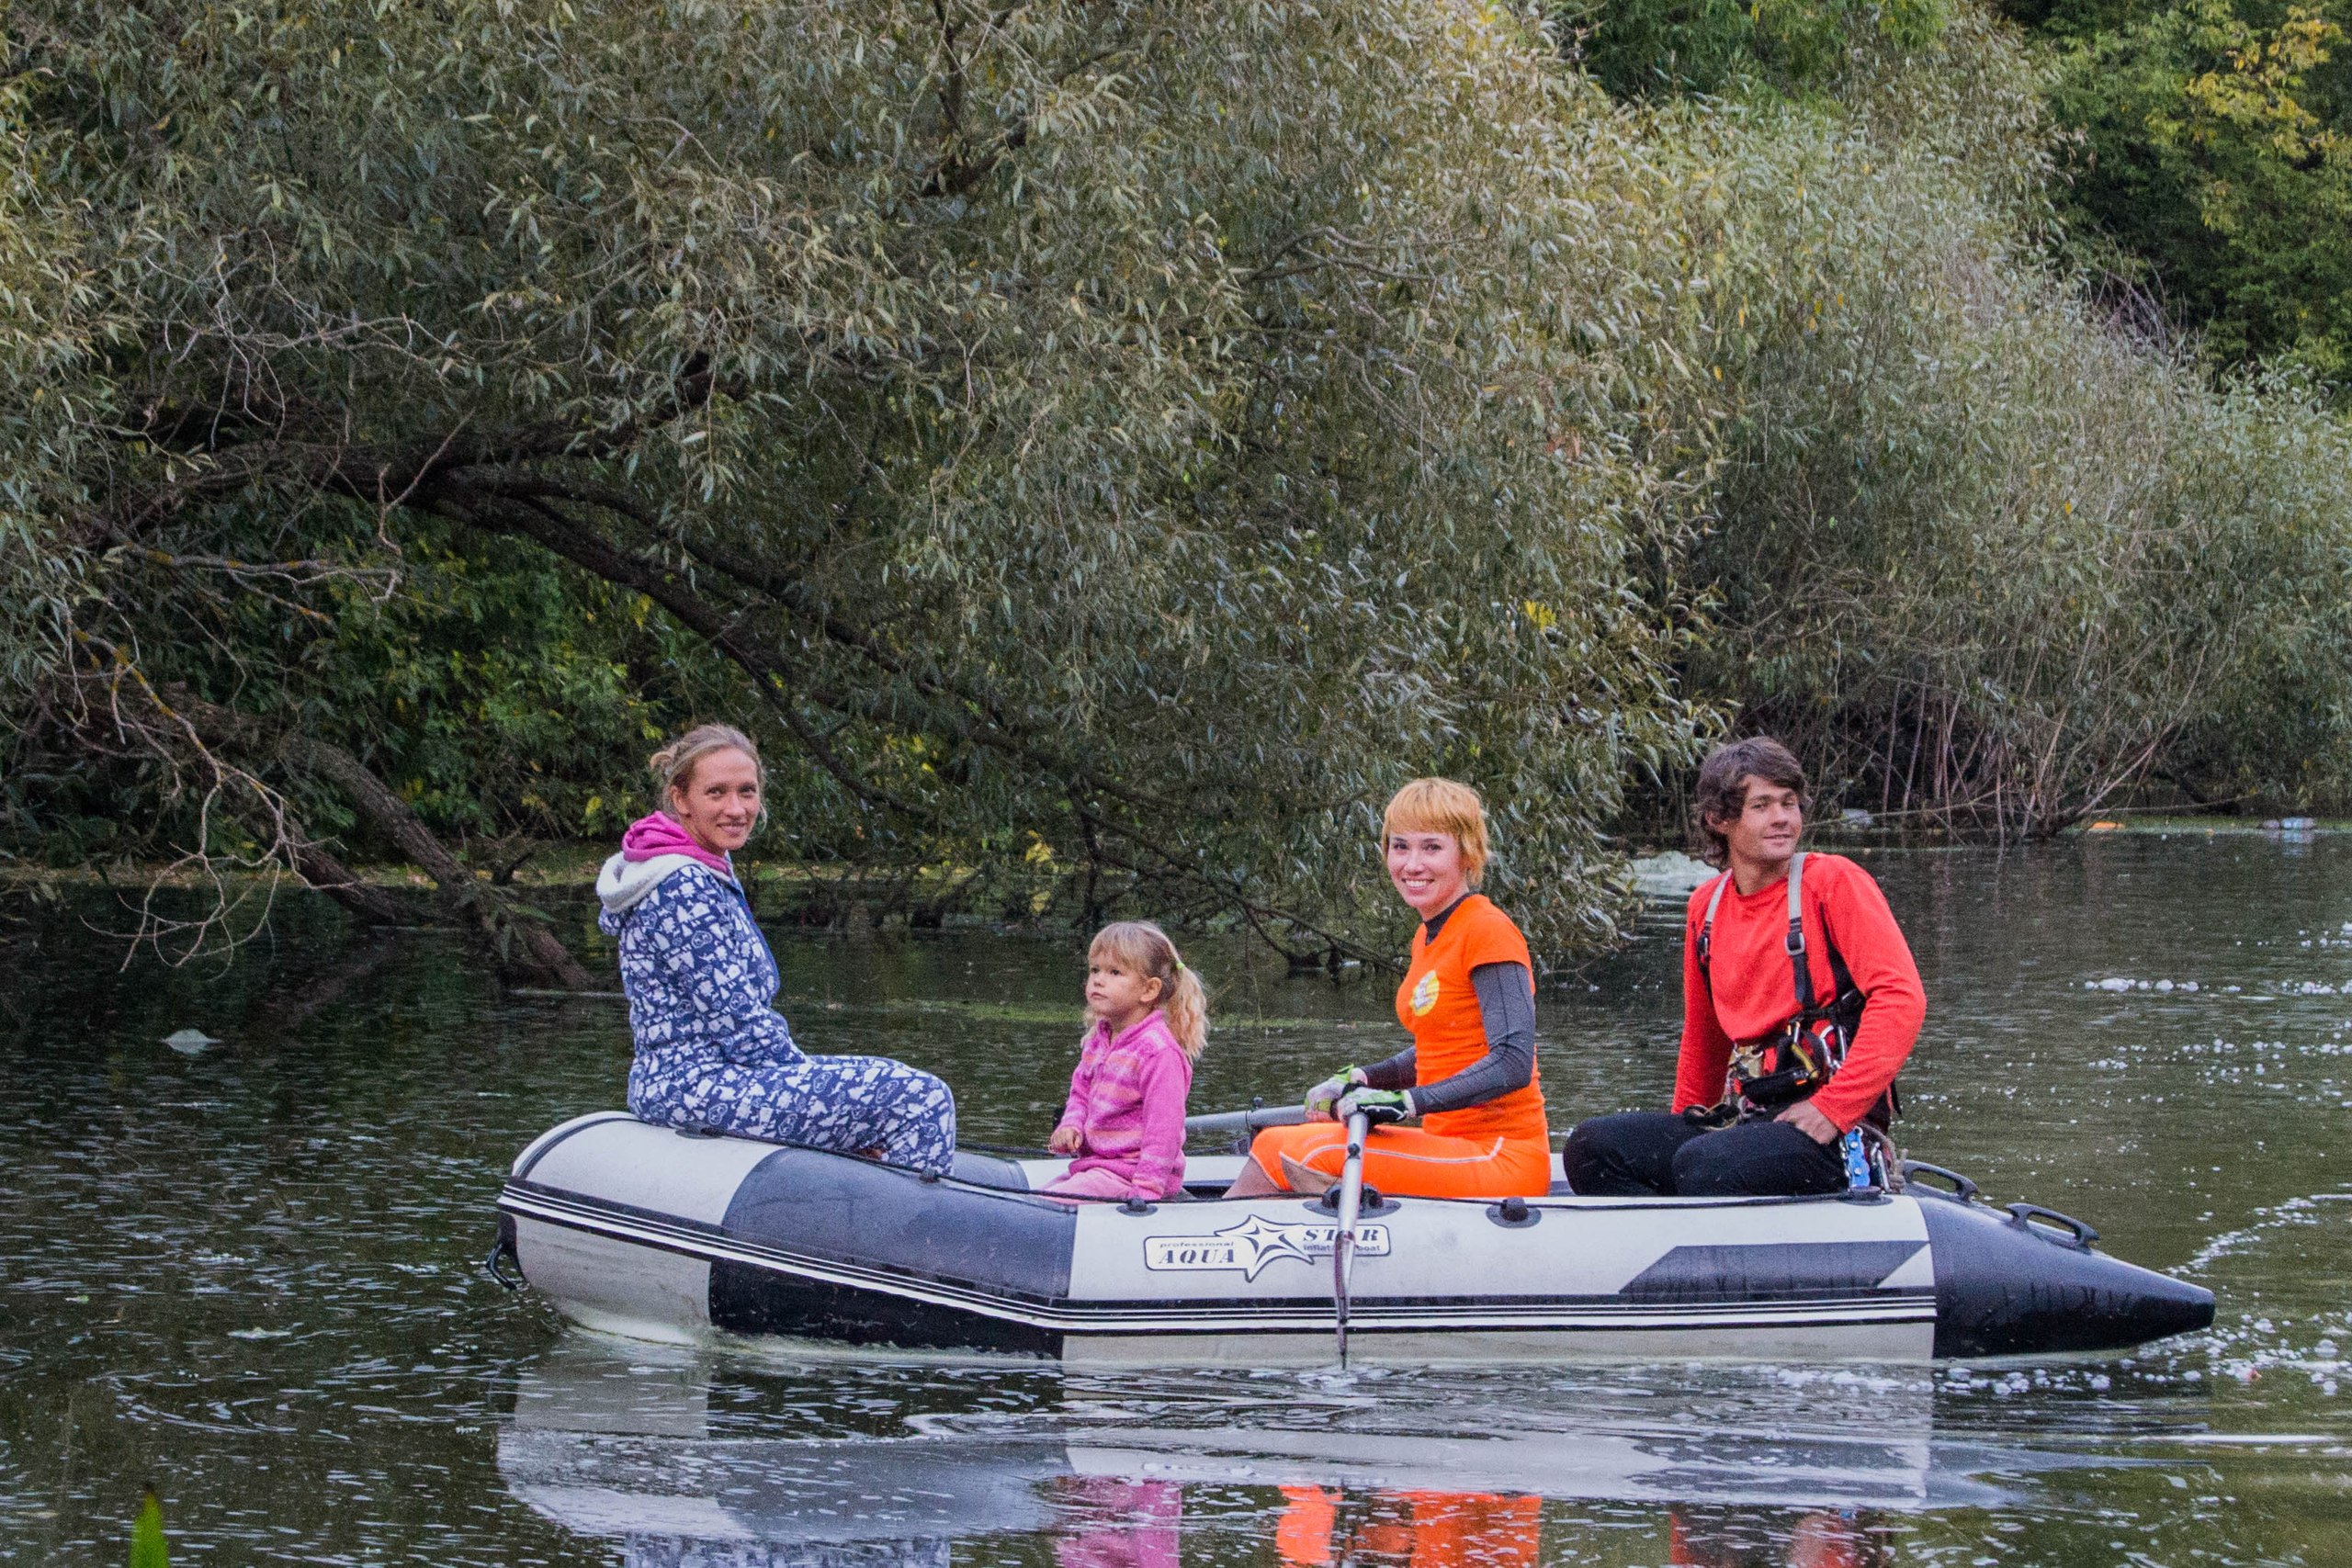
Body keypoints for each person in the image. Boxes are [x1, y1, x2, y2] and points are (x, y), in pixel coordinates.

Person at [1561, 737, 1923, 1198]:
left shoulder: (1834, 882)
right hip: (1752, 1118)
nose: (1782, 818)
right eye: (1762, 805)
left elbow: (1901, 999)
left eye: (1789, 803)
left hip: (1833, 1130)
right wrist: (1685, 1126)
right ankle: (1674, 1257)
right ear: (1719, 820)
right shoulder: (1704, 909)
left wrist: (1834, 1109)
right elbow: (1704, 1037)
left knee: (1703, 1166)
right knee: (1594, 1146)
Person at [596, 723, 958, 1174]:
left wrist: (827, 1107)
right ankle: (910, 1234)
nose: (736, 808)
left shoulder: (704, 865)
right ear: (680, 799)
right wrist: (821, 1100)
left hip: (718, 1078)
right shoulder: (680, 883)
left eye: (747, 792)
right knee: (919, 1098)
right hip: (692, 1086)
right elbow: (737, 1021)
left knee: (890, 1089)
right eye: (716, 793)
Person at [1228, 777, 1551, 1201]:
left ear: (1467, 854)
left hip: (1501, 1157)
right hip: (1453, 1146)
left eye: (1432, 848)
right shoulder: (1428, 937)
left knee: (1290, 1151)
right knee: (1284, 1137)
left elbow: (1511, 1060)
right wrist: (1364, 1078)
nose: (1412, 864)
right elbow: (1443, 1050)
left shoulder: (1487, 930)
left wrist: (1406, 1103)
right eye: (1400, 847)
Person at [1039, 920, 1207, 1202]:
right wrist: (1071, 1125)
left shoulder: (1159, 1052)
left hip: (1131, 1176)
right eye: (1095, 970)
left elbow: (1163, 1131)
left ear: (1148, 990)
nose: (1098, 980)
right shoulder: (1100, 1039)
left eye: (1115, 972)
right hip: (1097, 1167)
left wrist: (1145, 1193)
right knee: (1031, 1199)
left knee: (1044, 1206)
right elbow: (1081, 1094)